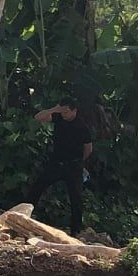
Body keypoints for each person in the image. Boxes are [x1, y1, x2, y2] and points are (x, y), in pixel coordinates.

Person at [25, 98, 93, 236]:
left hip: (73, 165)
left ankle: (76, 229)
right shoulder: (58, 118)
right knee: (38, 186)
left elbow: (88, 148)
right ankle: (24, 213)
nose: (64, 115)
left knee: (76, 197)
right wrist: (54, 109)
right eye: (63, 112)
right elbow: (38, 117)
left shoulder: (82, 126)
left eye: (67, 112)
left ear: (74, 110)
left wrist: (79, 161)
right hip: (56, 162)